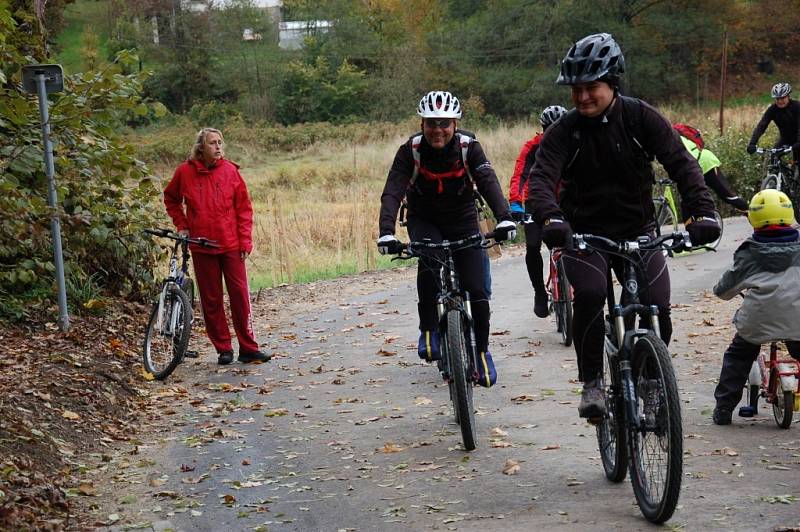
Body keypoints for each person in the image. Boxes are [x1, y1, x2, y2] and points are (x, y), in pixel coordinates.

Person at [528, 33, 720, 419]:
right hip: (584, 234)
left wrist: (702, 210)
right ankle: (593, 381)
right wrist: (551, 218)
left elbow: (681, 164)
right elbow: (540, 180)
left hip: (638, 229)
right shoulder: (564, 131)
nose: (582, 98)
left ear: (612, 83)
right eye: (576, 90)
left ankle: (650, 379)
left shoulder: (640, 117)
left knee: (656, 304)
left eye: (591, 88)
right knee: (591, 294)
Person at [376, 91, 516, 387]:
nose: (437, 129)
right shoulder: (410, 150)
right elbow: (393, 190)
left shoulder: (468, 147)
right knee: (430, 258)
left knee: (477, 289)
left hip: (463, 217)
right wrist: (386, 231)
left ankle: (481, 352)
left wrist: (504, 216)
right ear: (422, 123)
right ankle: (429, 328)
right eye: (430, 123)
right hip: (423, 217)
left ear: (454, 123)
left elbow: (488, 182)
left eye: (444, 123)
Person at [164, 128, 269, 365]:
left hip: (231, 244)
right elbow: (171, 198)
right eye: (213, 143)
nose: (218, 147)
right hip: (202, 246)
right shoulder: (185, 172)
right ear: (201, 147)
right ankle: (223, 348)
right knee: (211, 300)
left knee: (240, 296)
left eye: (220, 142)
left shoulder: (230, 171)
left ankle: (248, 347)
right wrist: (182, 224)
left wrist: (245, 240)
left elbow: (244, 208)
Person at [712, 189, 800, 425]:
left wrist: (719, 291)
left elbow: (726, 289)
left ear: (753, 219)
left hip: (757, 321)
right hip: (797, 319)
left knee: (738, 356)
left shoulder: (749, 253)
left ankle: (723, 409)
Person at [508, 105, 568, 318]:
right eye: (548, 128)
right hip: (537, 202)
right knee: (533, 246)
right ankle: (539, 293)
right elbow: (520, 175)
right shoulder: (532, 147)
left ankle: (574, 287)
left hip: (566, 202)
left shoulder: (574, 143)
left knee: (573, 244)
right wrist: (515, 203)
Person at [674, 125, 749, 212]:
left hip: (706, 163)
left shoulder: (675, 139)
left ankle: (751, 211)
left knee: (728, 196)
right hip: (695, 168)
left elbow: (688, 155)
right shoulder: (671, 139)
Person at [746, 82, 800, 161]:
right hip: (785, 139)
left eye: (782, 98)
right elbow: (762, 126)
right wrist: (752, 143)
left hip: (799, 138)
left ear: (788, 96)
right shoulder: (772, 109)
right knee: (774, 157)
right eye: (777, 99)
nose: (780, 101)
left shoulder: (797, 107)